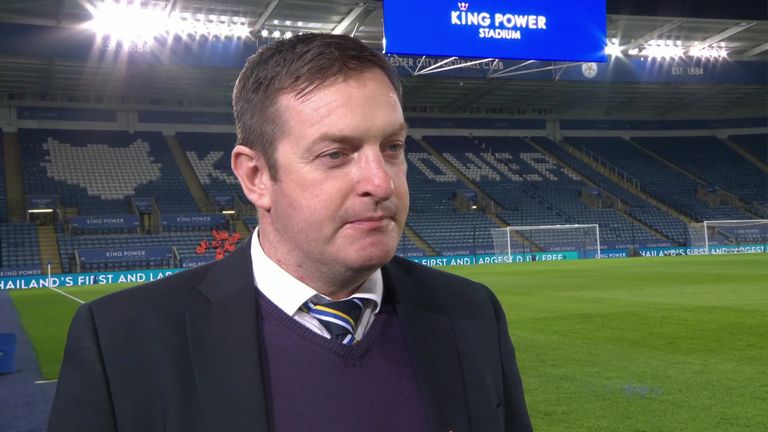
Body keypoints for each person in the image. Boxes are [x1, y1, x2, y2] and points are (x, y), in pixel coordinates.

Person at [49, 34, 533, 432]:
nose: (382, 183)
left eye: (392, 147)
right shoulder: (122, 340)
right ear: (256, 176)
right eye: (335, 154)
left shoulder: (471, 313)